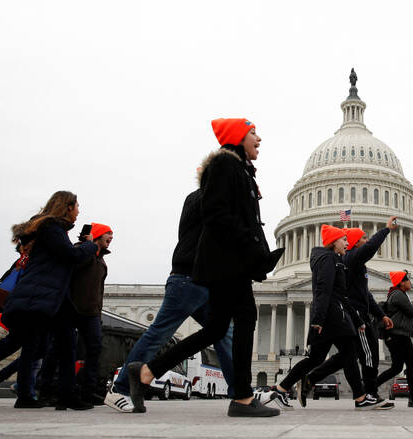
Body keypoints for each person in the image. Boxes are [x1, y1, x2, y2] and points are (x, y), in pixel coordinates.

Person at [125, 118, 283, 417]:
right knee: (244, 318)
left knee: (216, 329)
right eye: (253, 133)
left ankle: (146, 371)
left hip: (227, 261)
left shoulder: (239, 169)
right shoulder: (225, 165)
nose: (259, 138)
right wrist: (250, 249)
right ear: (238, 137)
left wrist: (259, 255)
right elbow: (216, 214)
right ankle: (243, 398)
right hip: (227, 262)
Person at [0, 191, 97, 410]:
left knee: (61, 344)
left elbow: (62, 257)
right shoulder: (50, 228)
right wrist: (90, 246)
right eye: (77, 206)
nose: (79, 211)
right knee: (20, 344)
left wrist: (79, 247)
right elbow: (72, 257)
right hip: (39, 296)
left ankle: (59, 395)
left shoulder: (51, 230)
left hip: (53, 297)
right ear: (67, 207)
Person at [104, 183, 234, 413]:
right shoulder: (208, 199)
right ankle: (120, 388)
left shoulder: (202, 198)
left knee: (224, 332)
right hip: (188, 279)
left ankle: (240, 394)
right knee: (159, 334)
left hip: (202, 281)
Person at [270, 225, 385, 411]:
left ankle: (280, 389)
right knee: (348, 354)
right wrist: (318, 320)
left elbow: (340, 294)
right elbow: (324, 291)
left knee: (315, 359)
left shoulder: (334, 260)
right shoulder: (328, 260)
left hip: (333, 315)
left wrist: (357, 321)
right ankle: (361, 397)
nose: (347, 243)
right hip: (333, 317)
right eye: (343, 240)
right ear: (333, 242)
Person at [292, 217, 398, 408]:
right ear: (356, 243)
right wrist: (386, 230)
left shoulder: (356, 264)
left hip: (354, 313)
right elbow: (369, 249)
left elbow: (365, 294)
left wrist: (380, 314)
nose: (366, 240)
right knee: (368, 353)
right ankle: (369, 394)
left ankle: (309, 380)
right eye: (363, 238)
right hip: (354, 315)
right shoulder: (353, 257)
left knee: (347, 356)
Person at [69, 222, 113, 405]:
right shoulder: (80, 251)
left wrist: (99, 312)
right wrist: (88, 247)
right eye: (108, 234)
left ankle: (89, 391)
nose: (111, 238)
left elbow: (99, 290)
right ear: (97, 235)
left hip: (92, 312)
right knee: (63, 349)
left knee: (95, 349)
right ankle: (51, 388)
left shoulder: (102, 260)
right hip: (72, 308)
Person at [375, 270, 413, 408]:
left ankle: (370, 386)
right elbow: (412, 312)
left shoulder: (396, 294)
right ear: (402, 282)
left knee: (397, 367)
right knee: (411, 363)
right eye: (407, 280)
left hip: (394, 335)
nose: (410, 283)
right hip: (399, 335)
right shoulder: (399, 295)